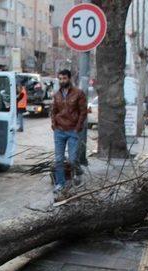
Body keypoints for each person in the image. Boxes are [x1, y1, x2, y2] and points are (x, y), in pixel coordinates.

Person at [50, 69, 87, 199]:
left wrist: (78, 128)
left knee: (72, 159)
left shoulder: (79, 93)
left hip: (73, 130)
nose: (62, 81)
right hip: (59, 131)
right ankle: (60, 183)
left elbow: (83, 112)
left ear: (69, 78)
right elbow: (53, 111)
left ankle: (78, 172)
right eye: (60, 78)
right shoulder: (57, 95)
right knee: (59, 159)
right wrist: (54, 125)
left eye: (64, 78)